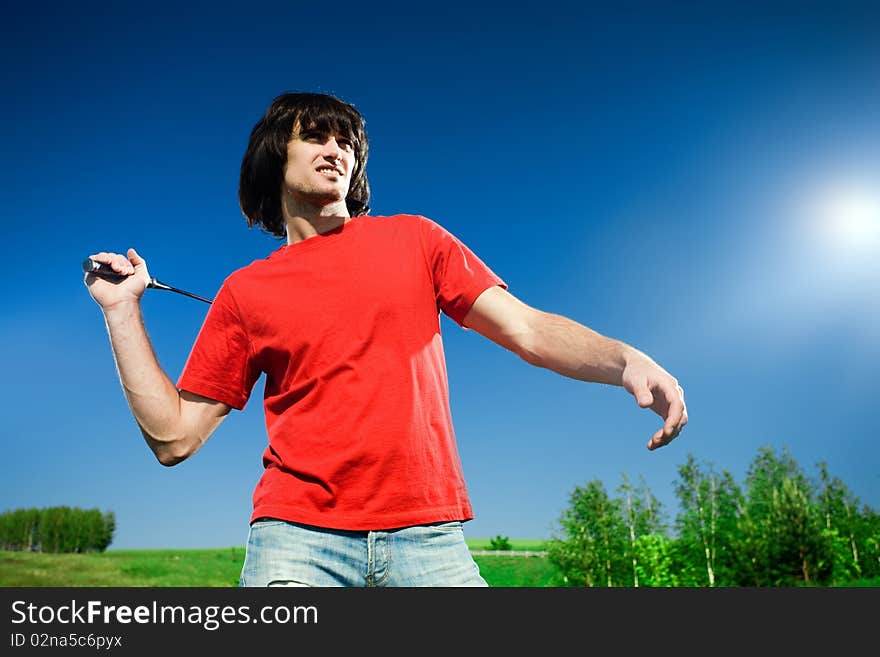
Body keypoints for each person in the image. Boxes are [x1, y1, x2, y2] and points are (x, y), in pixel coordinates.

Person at [85, 91, 688, 587]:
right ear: (276, 156)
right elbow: (175, 438)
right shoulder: (244, 291)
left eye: (346, 141)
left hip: (429, 541)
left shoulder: (416, 240)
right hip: (296, 547)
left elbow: (527, 329)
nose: (336, 150)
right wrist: (121, 311)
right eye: (316, 137)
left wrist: (625, 359)